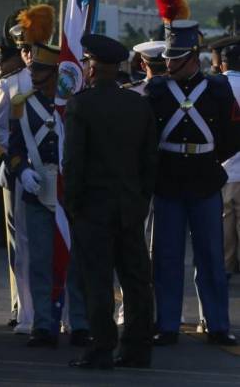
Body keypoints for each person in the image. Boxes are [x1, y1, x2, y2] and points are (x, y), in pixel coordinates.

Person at [64, 34, 158, 370]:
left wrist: (72, 204)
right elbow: (150, 162)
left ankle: (102, 346)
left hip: (93, 206)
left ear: (91, 67)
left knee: (98, 280)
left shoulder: (81, 106)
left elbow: (73, 162)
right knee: (135, 280)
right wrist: (140, 199)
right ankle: (137, 348)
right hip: (130, 206)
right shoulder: (138, 105)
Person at [146, 20, 239, 347]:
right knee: (167, 257)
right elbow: (147, 137)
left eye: (176, 58)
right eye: (168, 58)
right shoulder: (157, 90)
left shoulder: (218, 89)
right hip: (169, 179)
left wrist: (208, 158)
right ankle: (167, 323)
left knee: (212, 257)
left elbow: (231, 137)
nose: (168, 64)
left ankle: (216, 323)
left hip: (204, 178)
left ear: (193, 57)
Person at [5, 5, 89, 349]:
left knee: (75, 259)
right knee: (40, 260)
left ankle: (80, 322)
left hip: (70, 192)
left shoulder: (73, 106)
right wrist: (22, 170)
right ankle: (43, 324)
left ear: (55, 70)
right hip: (37, 189)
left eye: (40, 68)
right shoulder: (22, 103)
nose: (33, 71)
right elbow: (12, 148)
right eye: (32, 66)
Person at [0, 18, 33, 333]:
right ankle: (22, 306)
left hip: (54, 169)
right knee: (19, 241)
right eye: (23, 49)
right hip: (19, 170)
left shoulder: (62, 78)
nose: (27, 54)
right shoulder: (10, 83)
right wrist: (15, 161)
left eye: (31, 48)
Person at [218, 40, 240, 276]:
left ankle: (225, 268)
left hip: (225, 165)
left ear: (223, 64)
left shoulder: (217, 85)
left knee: (224, 220)